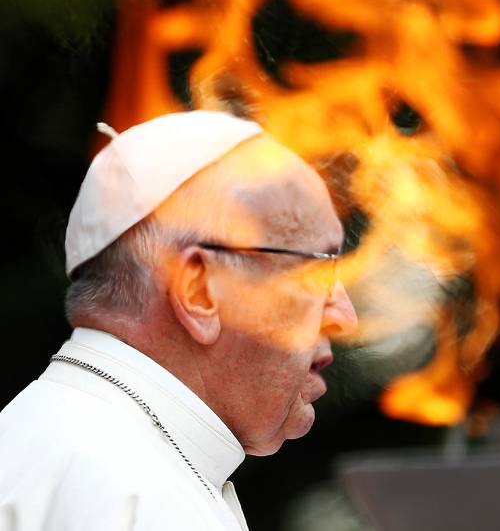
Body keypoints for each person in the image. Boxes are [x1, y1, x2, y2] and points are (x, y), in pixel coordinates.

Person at [0, 110, 358, 530]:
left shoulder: (36, 435)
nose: (345, 317)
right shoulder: (142, 494)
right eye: (320, 270)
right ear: (200, 291)